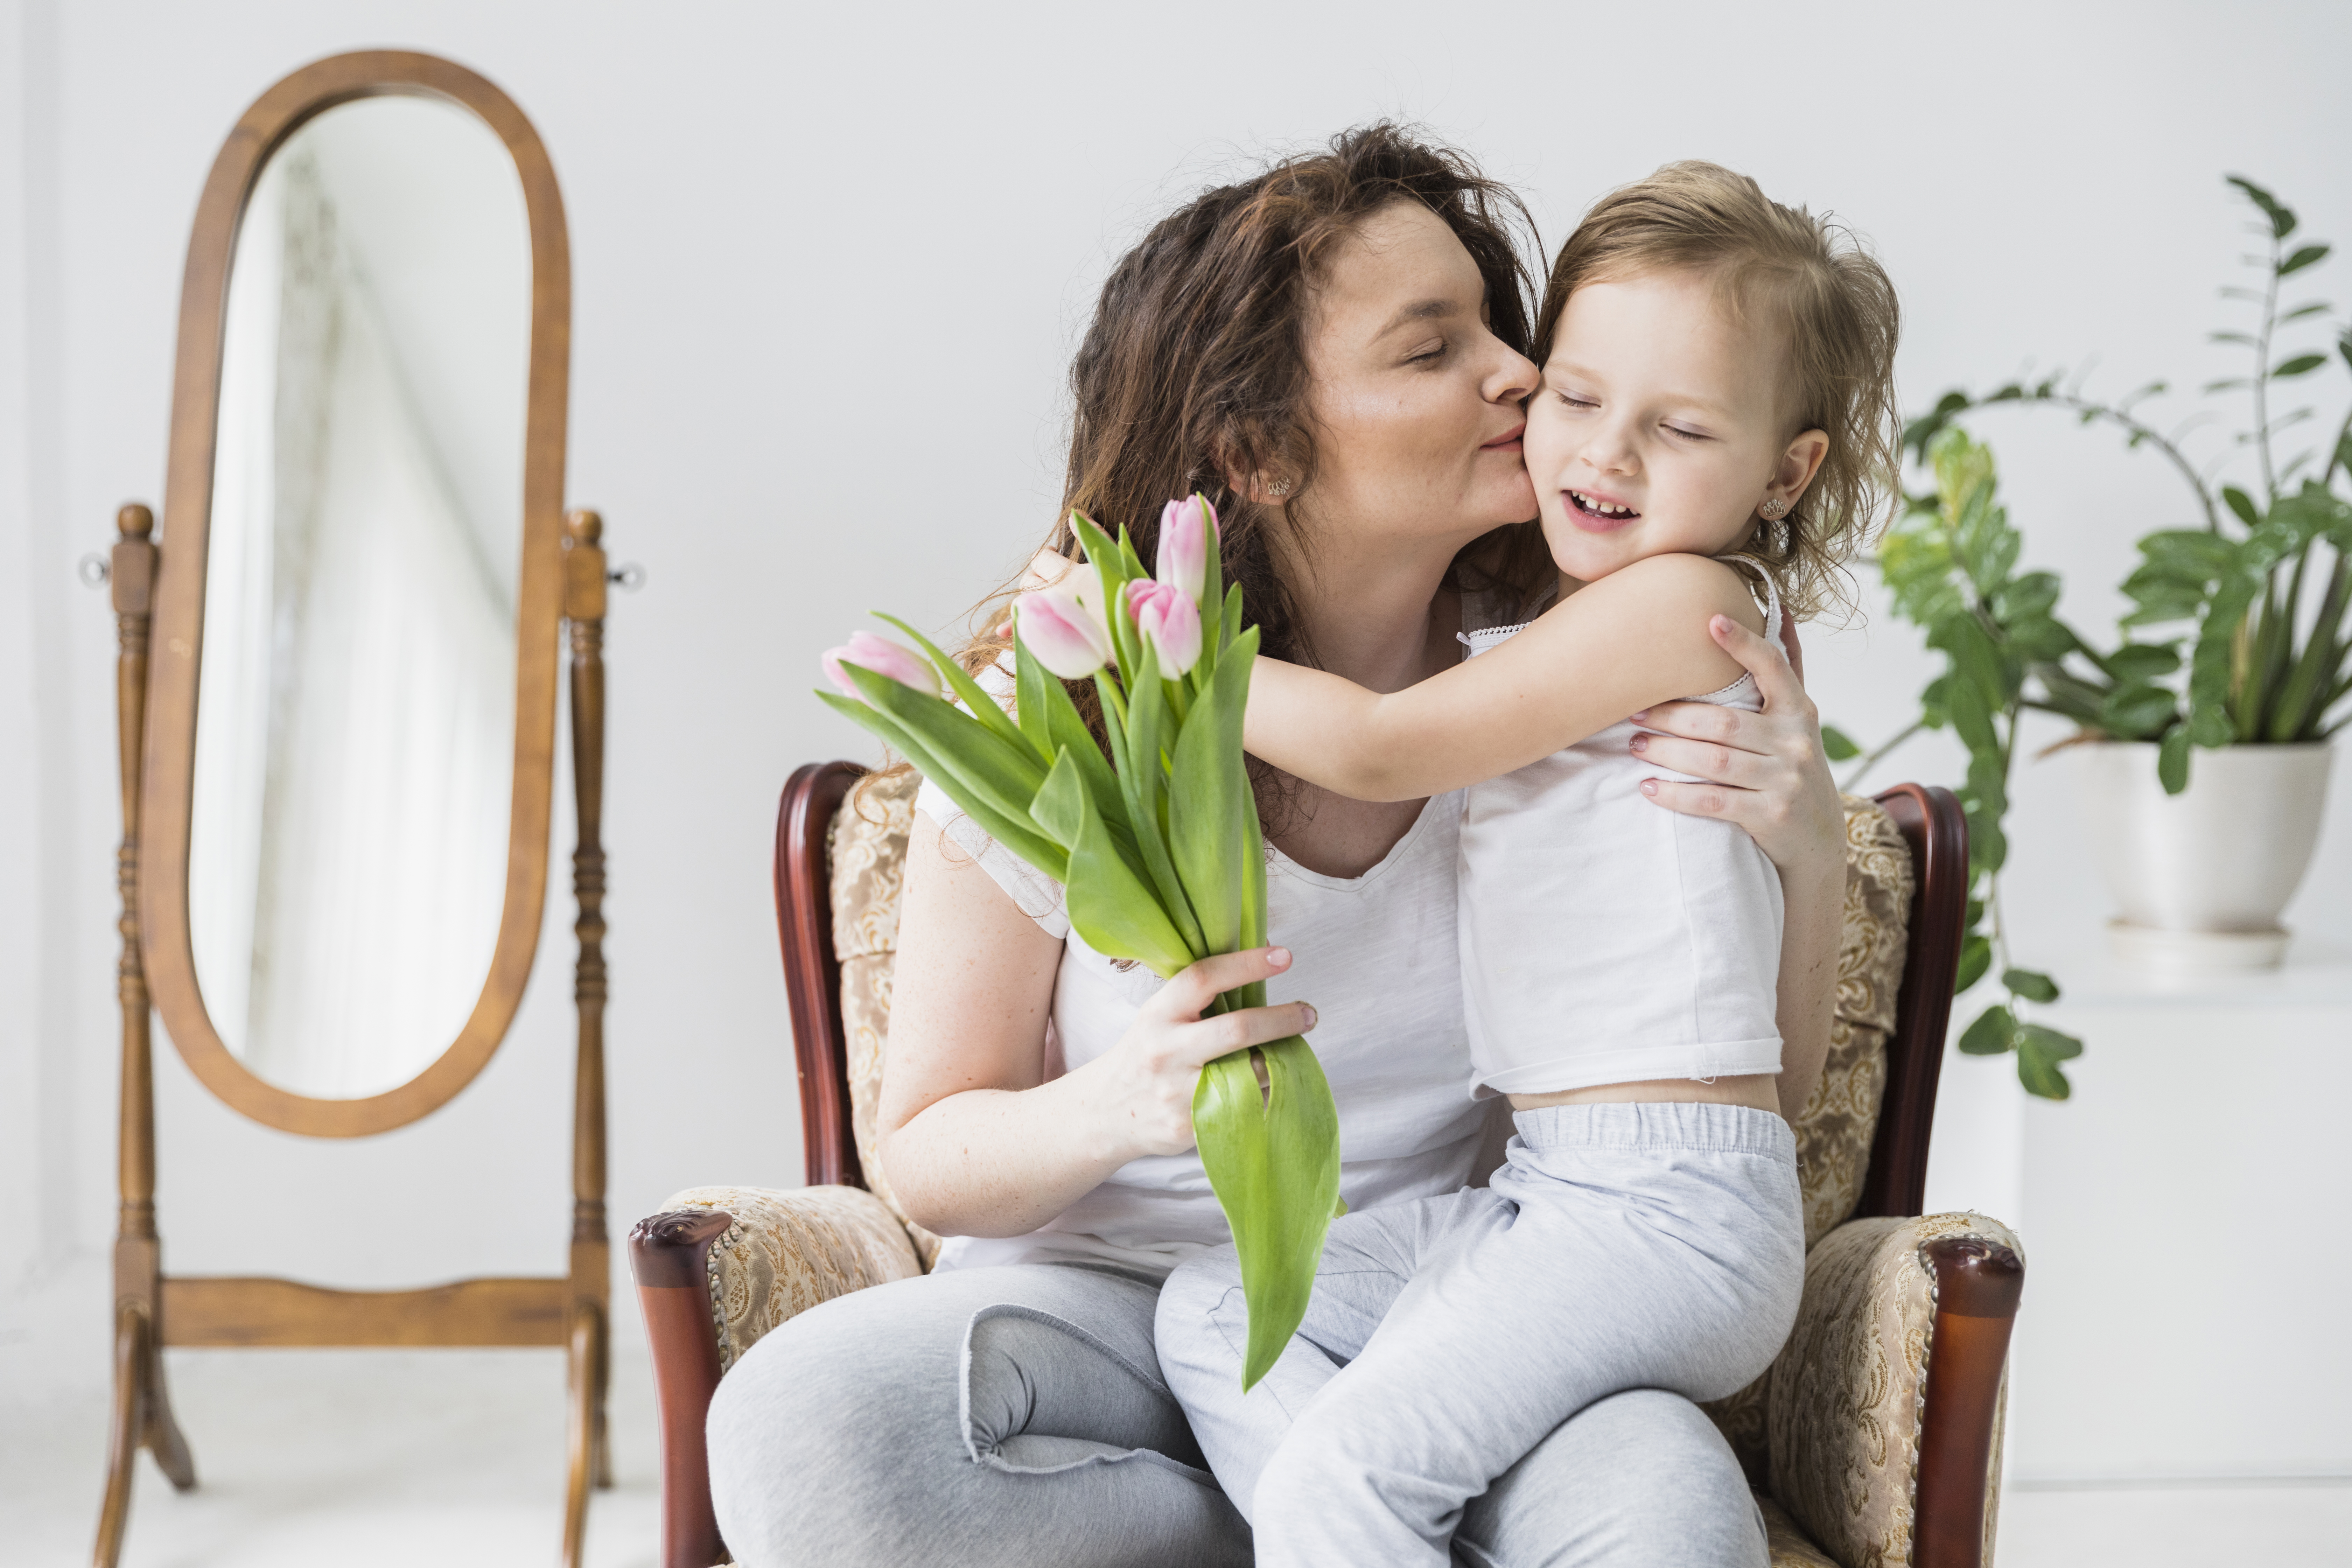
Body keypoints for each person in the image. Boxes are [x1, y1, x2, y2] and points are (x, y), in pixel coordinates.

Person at [705, 126, 1847, 1568]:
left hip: (1443, 1309)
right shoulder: (1061, 709)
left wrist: (1811, 854)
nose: (1519, 373)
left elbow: (1759, 1091)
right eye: (1434, 350)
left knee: (1667, 1513)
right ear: (1254, 448)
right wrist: (1124, 1101)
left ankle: (1333, 1515)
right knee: (803, 1434)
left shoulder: (1559, 689)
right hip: (1103, 1333)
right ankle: (1322, 1521)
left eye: (1501, 327)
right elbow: (927, 1152)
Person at [1153, 161, 1900, 1567]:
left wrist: (1162, 647)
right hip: (1559, 1196)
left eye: (1678, 428)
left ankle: (1358, 1513)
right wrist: (1808, 869)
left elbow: (1379, 747)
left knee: (1342, 1483)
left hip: (1663, 1218)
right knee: (1214, 1309)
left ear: (1783, 473)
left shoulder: (1692, 608)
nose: (1604, 457)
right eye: (1573, 395)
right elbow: (1785, 1083)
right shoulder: (1560, 628)